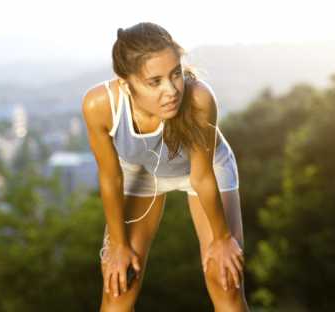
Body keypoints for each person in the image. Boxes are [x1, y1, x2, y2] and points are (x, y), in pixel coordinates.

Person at [82, 22, 250, 312]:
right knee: (119, 284)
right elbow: (111, 179)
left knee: (225, 279)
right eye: (154, 81)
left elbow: (202, 176)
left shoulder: (199, 98)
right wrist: (119, 247)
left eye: (175, 74)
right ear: (126, 83)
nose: (171, 90)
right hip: (142, 172)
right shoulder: (99, 105)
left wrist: (222, 240)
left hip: (204, 170)